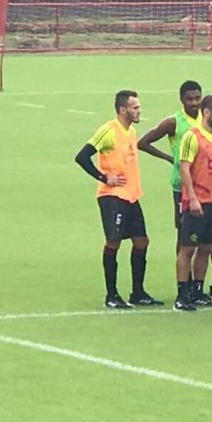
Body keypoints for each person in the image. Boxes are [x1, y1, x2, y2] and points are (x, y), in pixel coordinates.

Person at [136, 80, 212, 298]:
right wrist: (171, 159)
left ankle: (209, 284)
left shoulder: (211, 122)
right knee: (186, 238)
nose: (194, 102)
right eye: (189, 99)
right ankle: (184, 285)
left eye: (197, 98)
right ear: (182, 100)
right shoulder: (174, 122)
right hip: (184, 187)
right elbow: (143, 142)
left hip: (211, 189)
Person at [75, 90, 162, 309]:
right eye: (135, 107)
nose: (139, 110)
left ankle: (138, 292)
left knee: (142, 241)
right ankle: (111, 295)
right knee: (113, 242)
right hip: (112, 197)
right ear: (123, 109)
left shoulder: (131, 131)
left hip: (132, 196)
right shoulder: (108, 130)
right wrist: (104, 177)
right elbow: (82, 157)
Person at [175, 94, 212, 312]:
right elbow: (184, 168)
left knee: (207, 247)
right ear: (206, 112)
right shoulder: (192, 136)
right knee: (188, 248)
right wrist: (193, 198)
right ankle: (182, 294)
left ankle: (198, 289)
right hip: (198, 203)